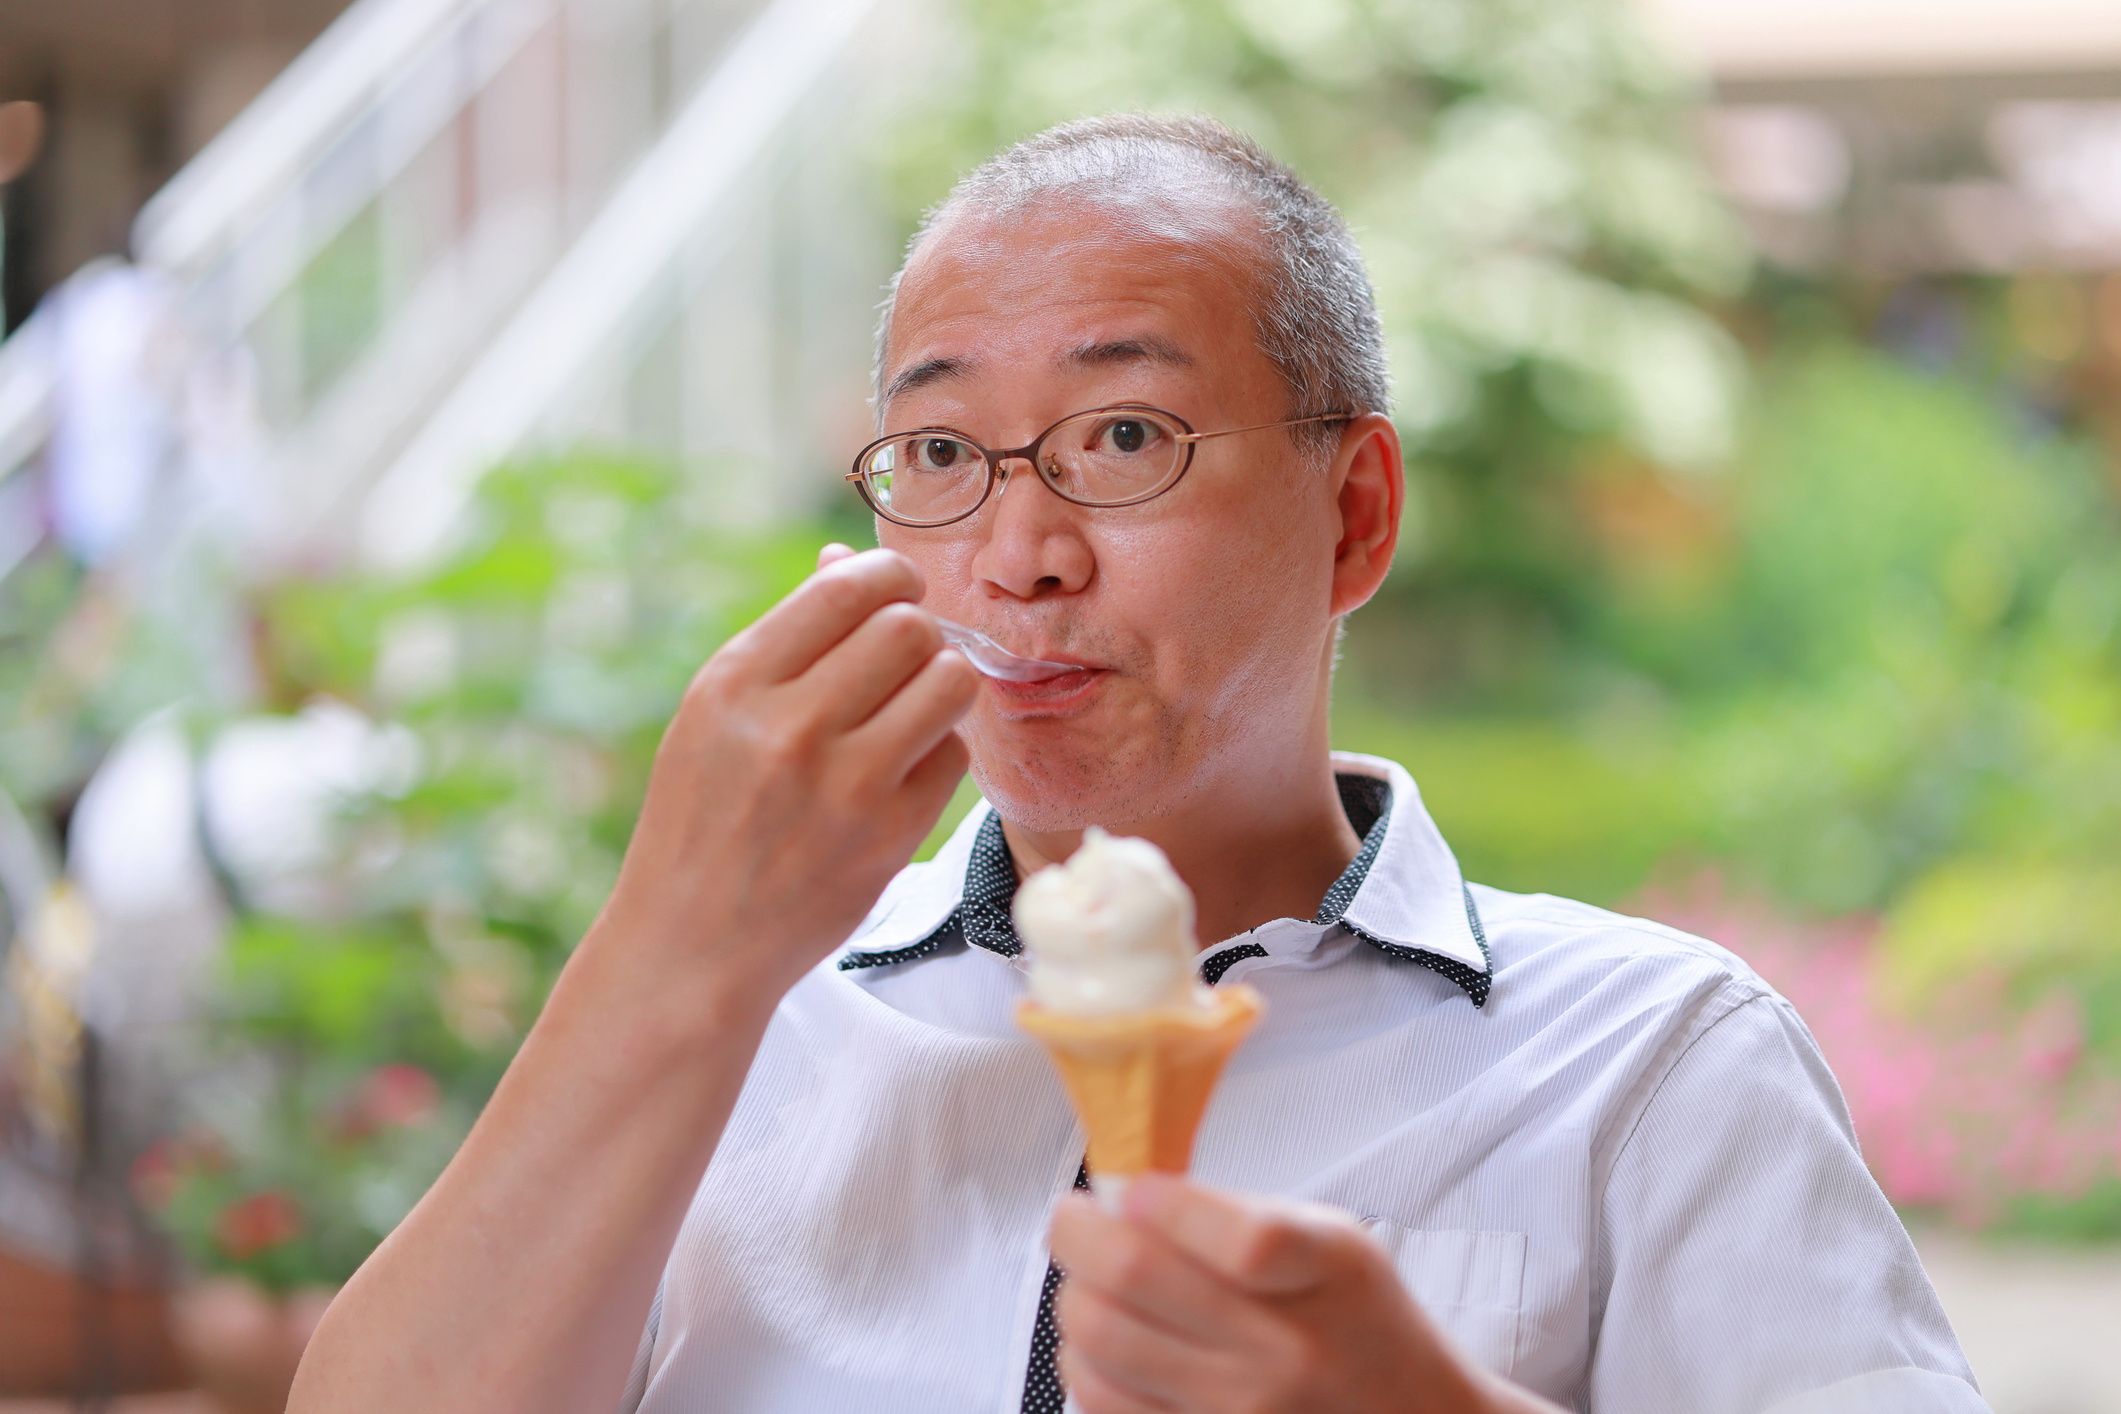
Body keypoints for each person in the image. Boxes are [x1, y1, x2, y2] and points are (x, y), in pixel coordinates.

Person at [289, 115, 1985, 1414]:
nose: (1017, 552)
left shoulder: (1649, 1063)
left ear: (1356, 513)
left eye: (1121, 438)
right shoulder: (749, 1019)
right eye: (942, 451)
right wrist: (674, 946)